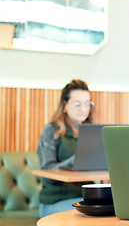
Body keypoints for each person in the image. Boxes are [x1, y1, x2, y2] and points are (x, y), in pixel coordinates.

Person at [37, 79, 94, 218]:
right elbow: (47, 172)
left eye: (87, 104)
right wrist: (74, 161)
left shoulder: (92, 132)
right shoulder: (51, 130)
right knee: (90, 216)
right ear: (65, 104)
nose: (83, 109)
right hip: (56, 200)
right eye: (77, 104)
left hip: (86, 199)